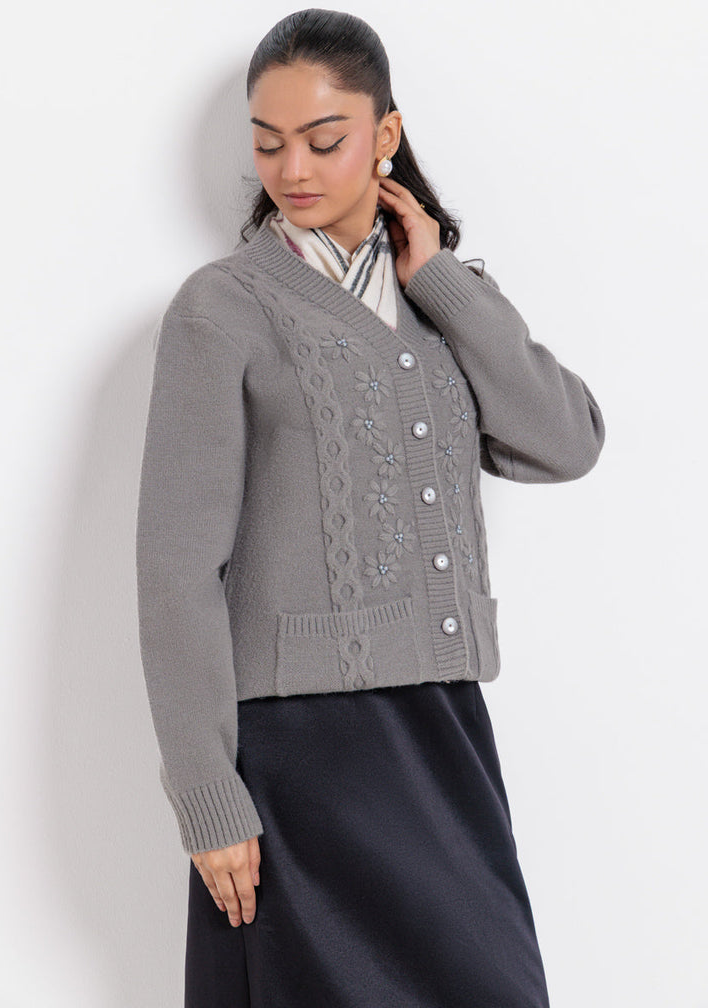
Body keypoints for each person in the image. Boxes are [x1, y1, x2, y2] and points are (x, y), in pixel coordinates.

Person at [135, 9, 606, 1007]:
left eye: (324, 139)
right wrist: (208, 793)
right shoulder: (222, 309)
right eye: (268, 143)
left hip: (443, 731)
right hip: (301, 752)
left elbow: (566, 444)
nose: (292, 168)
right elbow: (176, 567)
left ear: (386, 133)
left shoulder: (443, 302)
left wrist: (442, 282)